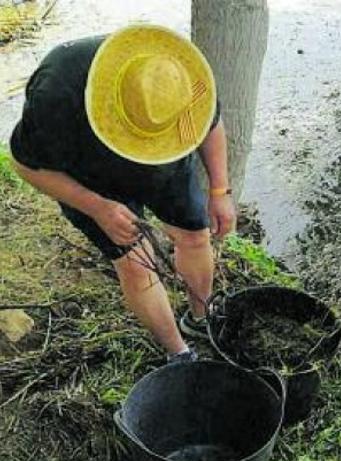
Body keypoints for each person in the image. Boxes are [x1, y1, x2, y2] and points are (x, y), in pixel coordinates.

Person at [8, 24, 235, 363]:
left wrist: (219, 190)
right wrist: (98, 208)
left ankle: (200, 320)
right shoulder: (57, 94)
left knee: (195, 237)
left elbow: (210, 123)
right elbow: (25, 164)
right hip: (90, 179)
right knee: (136, 261)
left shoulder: (178, 73)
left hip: (167, 161)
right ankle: (180, 354)